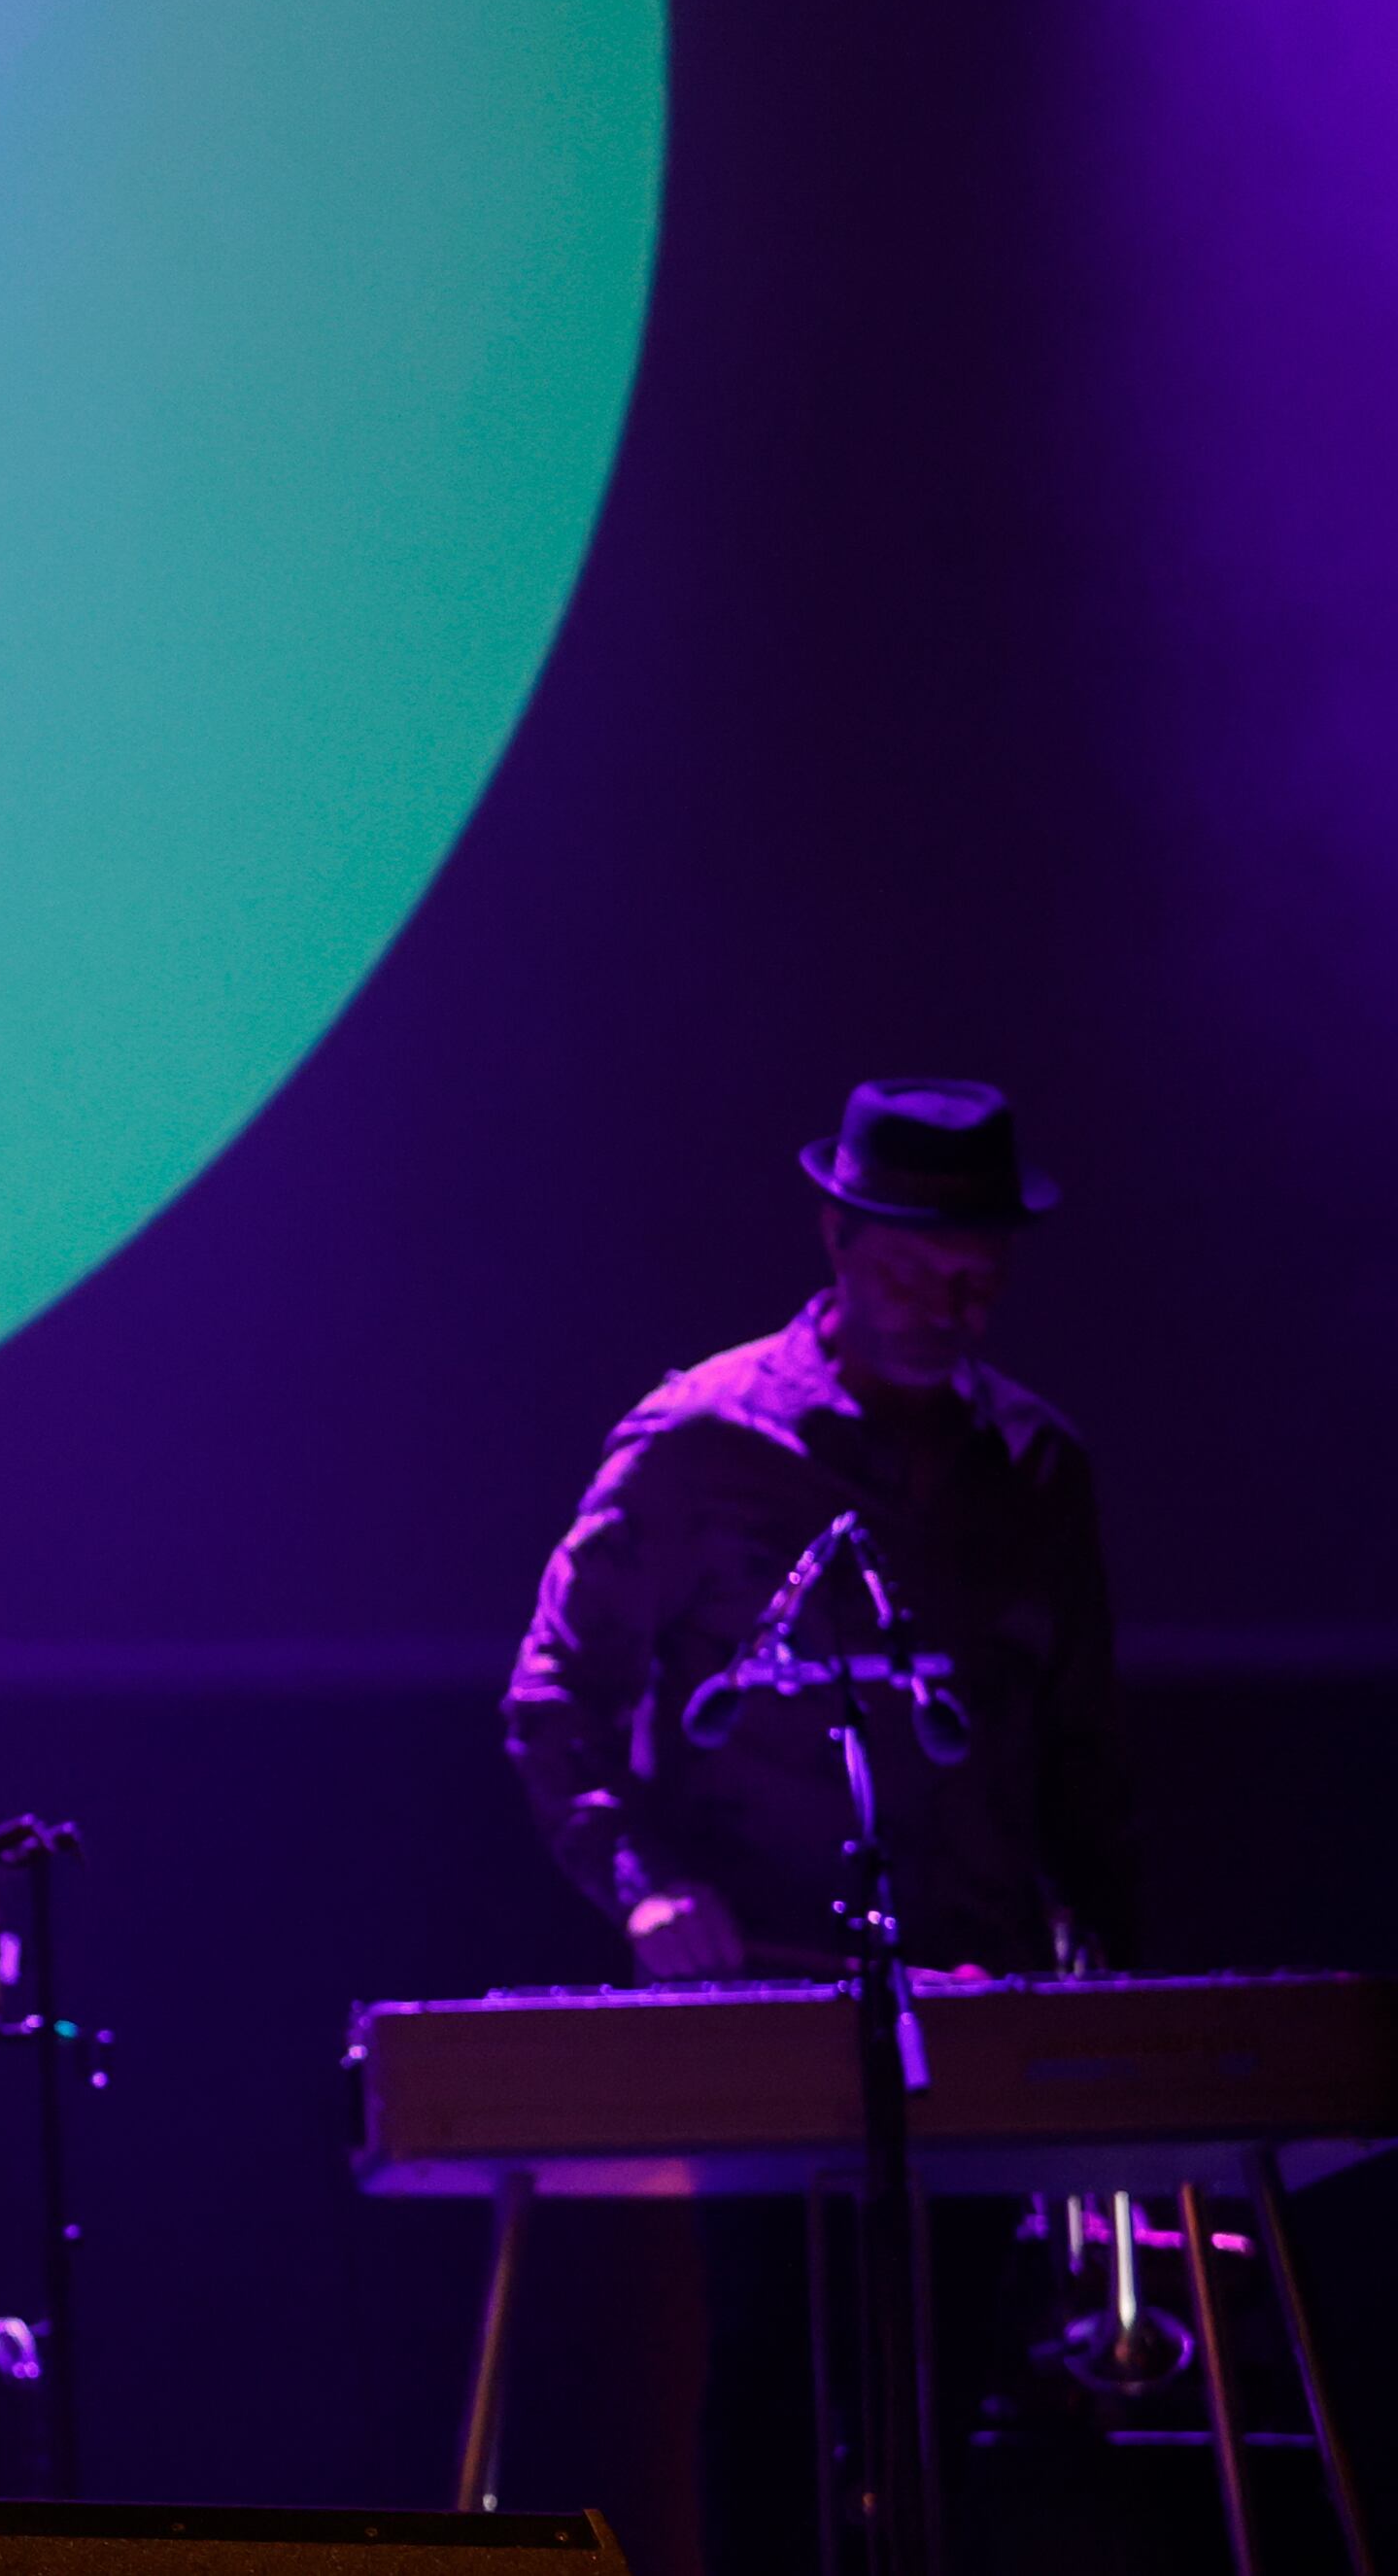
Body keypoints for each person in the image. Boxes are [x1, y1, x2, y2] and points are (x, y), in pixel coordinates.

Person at [503, 1079, 1133, 2572]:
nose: (950, 1297)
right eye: (915, 1260)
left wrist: (1110, 1977)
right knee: (776, 2387)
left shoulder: (1040, 1466)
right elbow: (553, 1697)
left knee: (957, 2407)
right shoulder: (701, 1440)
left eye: (977, 1267)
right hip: (767, 1994)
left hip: (978, 2006)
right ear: (840, 1237)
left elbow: (1085, 1754)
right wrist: (645, 1886)